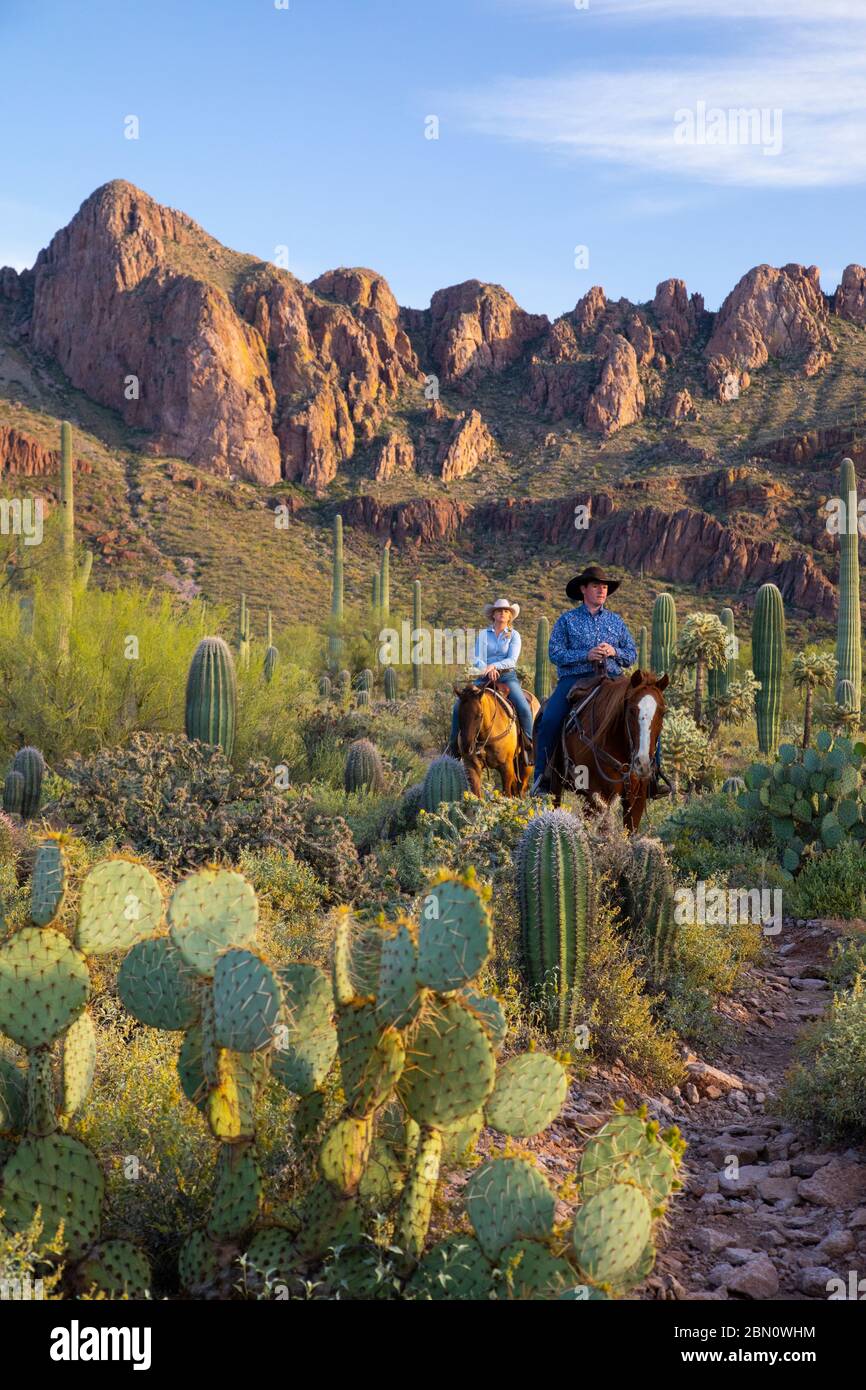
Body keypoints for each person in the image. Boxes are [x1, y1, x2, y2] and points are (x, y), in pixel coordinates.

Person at [532, 565, 642, 795]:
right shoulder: (567, 621)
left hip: (612, 679)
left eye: (604, 587)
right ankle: (542, 778)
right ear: (583, 589)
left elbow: (631, 654)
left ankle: (651, 777)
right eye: (596, 586)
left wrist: (614, 651)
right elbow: (555, 653)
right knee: (550, 719)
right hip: (575, 679)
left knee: (644, 711)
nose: (602, 590)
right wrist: (586, 654)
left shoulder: (616, 621)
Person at [448, 598, 535, 754]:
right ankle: (454, 745)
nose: (503, 613)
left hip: (507, 676)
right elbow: (477, 658)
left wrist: (495, 666)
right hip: (483, 677)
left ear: (510, 617)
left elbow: (511, 660)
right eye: (499, 611)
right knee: (459, 705)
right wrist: (487, 669)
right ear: (493, 615)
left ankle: (529, 743)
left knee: (523, 706)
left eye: (506, 611)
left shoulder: (514, 635)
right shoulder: (483, 635)